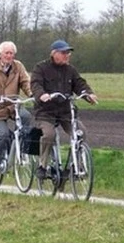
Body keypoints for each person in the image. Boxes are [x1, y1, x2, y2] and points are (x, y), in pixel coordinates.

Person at [30, 39, 98, 180]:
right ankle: (42, 166)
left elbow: (79, 84)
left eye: (68, 53)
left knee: (80, 132)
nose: (67, 55)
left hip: (65, 112)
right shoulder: (41, 68)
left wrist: (88, 94)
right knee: (49, 135)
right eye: (64, 52)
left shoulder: (70, 70)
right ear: (54, 54)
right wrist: (41, 95)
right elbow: (35, 84)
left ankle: (75, 166)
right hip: (45, 112)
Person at [0, 41, 33, 181]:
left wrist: (32, 94)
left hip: (13, 106)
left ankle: (20, 143)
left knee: (26, 117)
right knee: (2, 134)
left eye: (11, 53)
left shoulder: (18, 66)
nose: (9, 56)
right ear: (0, 54)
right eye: (7, 53)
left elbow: (26, 82)